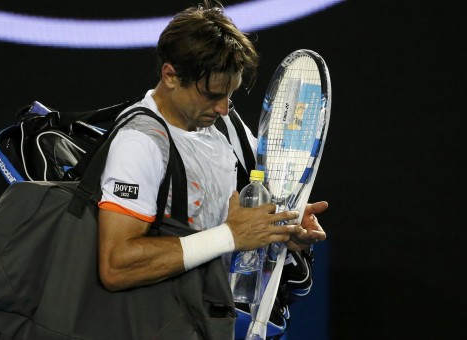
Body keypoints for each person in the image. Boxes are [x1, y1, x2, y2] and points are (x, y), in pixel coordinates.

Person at [96, 0, 328, 337]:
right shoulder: (140, 144)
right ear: (171, 76)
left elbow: (241, 224)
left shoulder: (224, 124)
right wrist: (230, 235)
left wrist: (279, 225)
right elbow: (116, 264)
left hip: (209, 321)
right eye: (212, 94)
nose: (223, 108)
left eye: (230, 95)